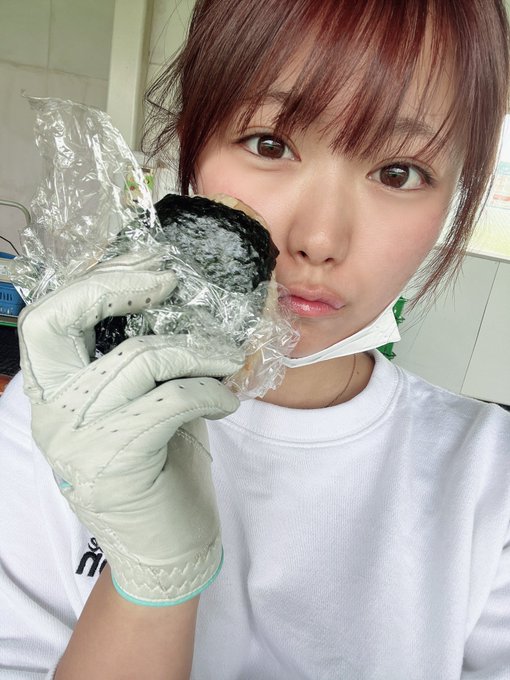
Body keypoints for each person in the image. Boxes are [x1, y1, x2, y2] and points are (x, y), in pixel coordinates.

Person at [1, 0, 510, 678]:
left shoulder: (491, 483)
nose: (319, 239)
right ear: (191, 144)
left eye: (399, 172)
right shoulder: (60, 416)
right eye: (269, 144)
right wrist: (149, 581)